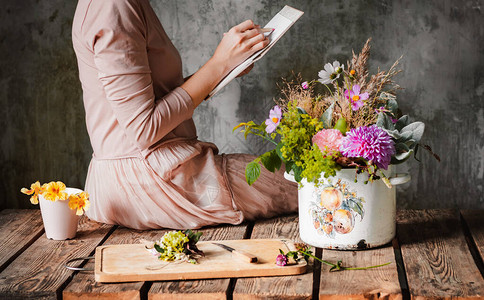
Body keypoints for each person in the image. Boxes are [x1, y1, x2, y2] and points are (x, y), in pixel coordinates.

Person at [71, 0, 297, 230]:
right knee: (309, 181)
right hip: (149, 183)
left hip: (142, 175)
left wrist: (226, 68)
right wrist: (219, 63)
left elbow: (152, 100)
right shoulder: (113, 6)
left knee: (304, 173)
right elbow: (143, 128)